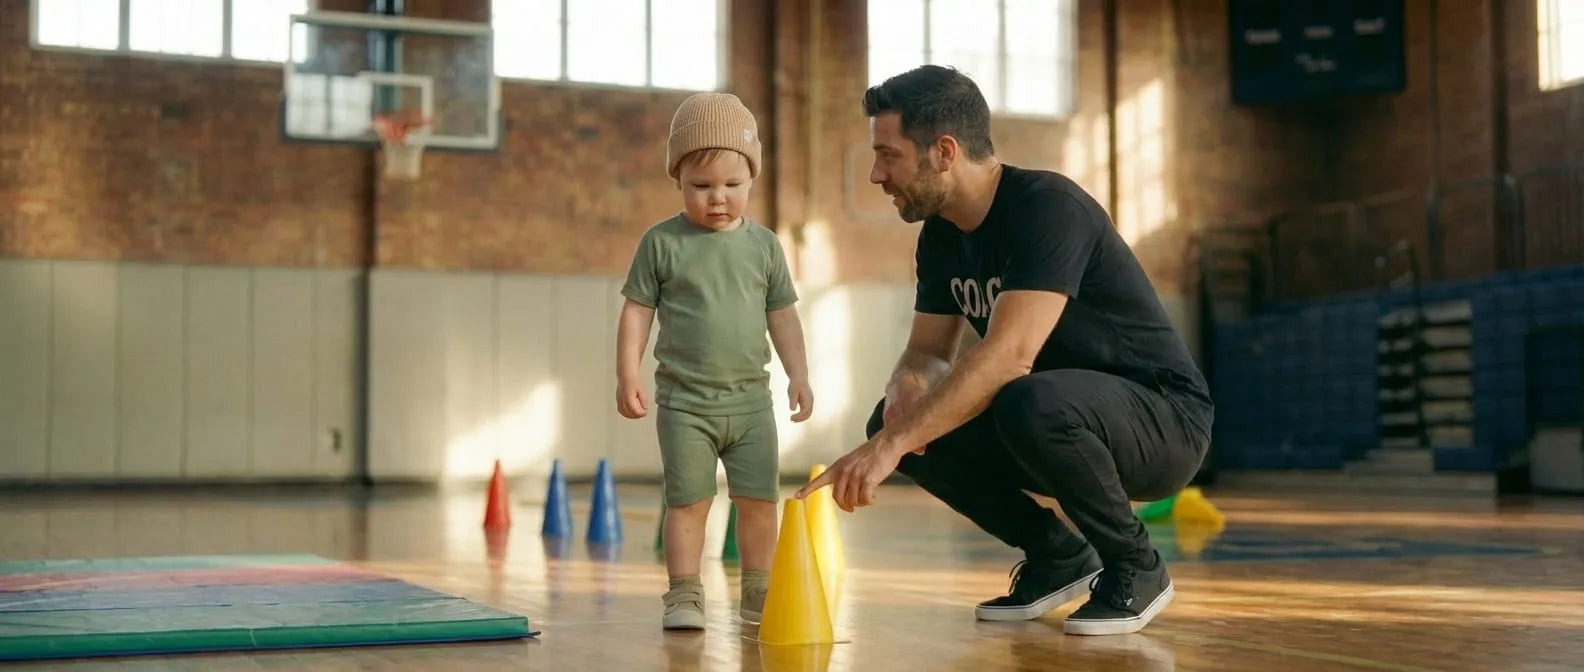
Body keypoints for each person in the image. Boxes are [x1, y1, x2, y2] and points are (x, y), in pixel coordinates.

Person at [796, 65, 1213, 636]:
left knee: (1018, 398)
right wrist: (905, 392)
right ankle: (1056, 555)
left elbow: (1010, 353)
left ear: (944, 151)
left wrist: (891, 446)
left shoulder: (1047, 208)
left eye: (888, 155)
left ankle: (1137, 567)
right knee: (897, 421)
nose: (875, 174)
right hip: (1054, 416)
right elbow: (926, 352)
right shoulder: (942, 236)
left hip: (1165, 420)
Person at [616, 92, 815, 631]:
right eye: (701, 187)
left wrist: (798, 373)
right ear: (678, 180)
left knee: (757, 503)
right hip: (685, 405)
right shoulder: (661, 244)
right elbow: (637, 311)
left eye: (733, 185)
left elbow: (784, 318)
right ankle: (684, 594)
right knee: (688, 503)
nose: (718, 197)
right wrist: (628, 373)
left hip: (752, 404)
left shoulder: (766, 247)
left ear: (752, 179)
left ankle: (758, 591)